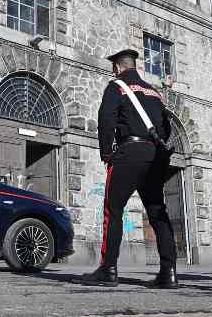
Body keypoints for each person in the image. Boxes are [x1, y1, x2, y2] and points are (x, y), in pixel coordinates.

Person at [73, 49, 178, 288]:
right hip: (154, 154)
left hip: (129, 153)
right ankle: (169, 272)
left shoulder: (116, 86)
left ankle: (108, 269)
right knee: (157, 212)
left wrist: (106, 152)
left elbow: (106, 118)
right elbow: (166, 128)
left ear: (118, 68)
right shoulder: (154, 92)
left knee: (113, 210)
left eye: (114, 68)